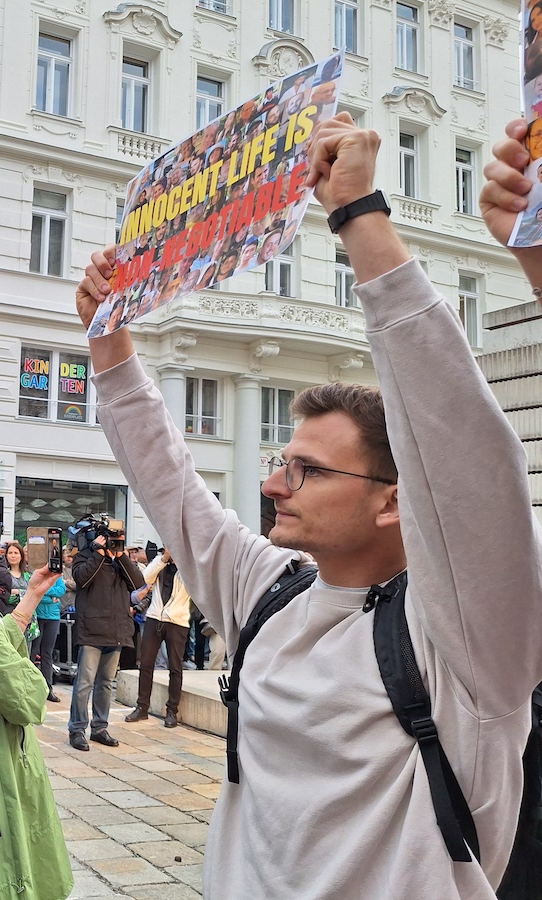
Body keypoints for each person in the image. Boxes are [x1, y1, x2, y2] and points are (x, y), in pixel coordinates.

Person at [71, 113, 542, 897]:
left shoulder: (466, 643)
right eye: (282, 464)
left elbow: (461, 448)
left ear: (397, 502)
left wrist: (361, 221)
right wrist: (110, 346)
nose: (271, 485)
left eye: (308, 472)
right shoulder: (271, 588)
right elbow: (171, 485)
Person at [0, 516, 74, 900]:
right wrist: (35, 680)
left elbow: (1, 635)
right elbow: (28, 698)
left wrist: (31, 594)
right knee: (1, 864)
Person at [66, 536, 144, 751]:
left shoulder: (120, 561)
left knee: (106, 684)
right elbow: (82, 579)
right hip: (91, 631)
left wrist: (120, 556)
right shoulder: (85, 556)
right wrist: (98, 553)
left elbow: (137, 583)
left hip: (116, 631)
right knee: (84, 683)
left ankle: (100, 727)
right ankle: (77, 729)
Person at [126, 549, 190, 728]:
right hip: (154, 618)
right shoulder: (160, 563)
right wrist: (163, 559)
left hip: (177, 621)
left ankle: (172, 711)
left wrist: (183, 560)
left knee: (175, 667)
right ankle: (142, 707)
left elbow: (195, 584)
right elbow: (144, 579)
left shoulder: (189, 566)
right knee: (146, 664)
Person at [30, 557, 66, 704]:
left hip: (53, 617)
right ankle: (30, 687)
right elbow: (34, 593)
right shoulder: (35, 573)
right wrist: (51, 598)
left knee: (47, 653)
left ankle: (48, 687)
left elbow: (61, 590)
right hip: (37, 615)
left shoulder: (56, 575)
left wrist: (45, 590)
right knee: (33, 652)